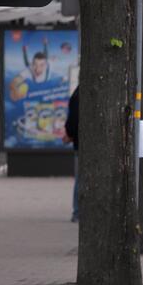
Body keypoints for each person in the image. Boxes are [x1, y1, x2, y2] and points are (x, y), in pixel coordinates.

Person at [62, 86, 79, 222]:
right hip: (82, 142)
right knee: (81, 178)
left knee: (81, 178)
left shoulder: (78, 94)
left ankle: (78, 211)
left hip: (80, 142)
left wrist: (70, 134)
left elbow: (73, 118)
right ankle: (78, 211)